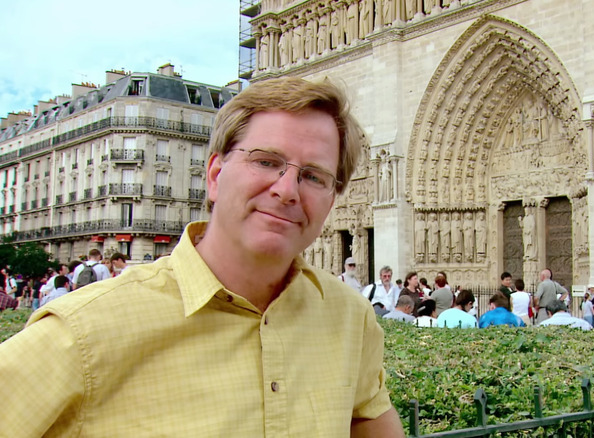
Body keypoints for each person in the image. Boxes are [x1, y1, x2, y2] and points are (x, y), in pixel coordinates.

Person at [0, 78, 403, 436]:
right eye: (266, 161)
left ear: (332, 199)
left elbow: (370, 420)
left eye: (314, 176)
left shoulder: (351, 319)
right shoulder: (85, 332)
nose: (287, 189)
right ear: (214, 175)